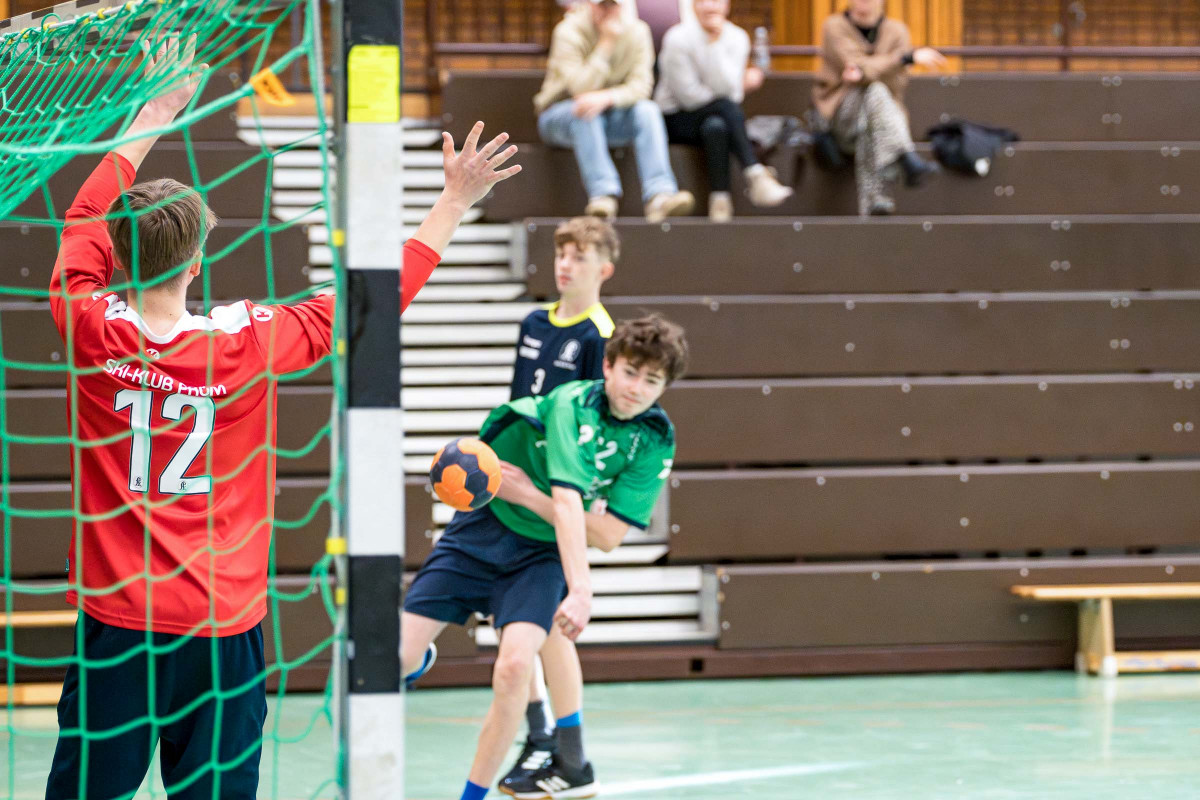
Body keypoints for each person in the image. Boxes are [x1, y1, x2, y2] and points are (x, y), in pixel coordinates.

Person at [43, 39, 517, 800]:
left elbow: (85, 213)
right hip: (220, 622)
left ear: (118, 258)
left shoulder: (89, 324)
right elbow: (375, 300)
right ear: (197, 261)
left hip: (117, 624)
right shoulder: (248, 341)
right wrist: (454, 201)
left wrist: (155, 109)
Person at [401, 315, 688, 800]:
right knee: (395, 659)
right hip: (484, 526)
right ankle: (419, 658)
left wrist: (529, 494)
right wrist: (581, 590)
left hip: (541, 552)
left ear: (665, 388)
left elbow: (609, 536)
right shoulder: (572, 405)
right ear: (608, 366)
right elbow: (570, 504)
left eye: (652, 380)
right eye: (629, 372)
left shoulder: (655, 439)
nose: (636, 388)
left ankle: (477, 793)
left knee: (514, 667)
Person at [498, 217, 617, 791]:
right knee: (512, 619)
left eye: (580, 257)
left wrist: (578, 498)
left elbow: (598, 425)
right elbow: (515, 403)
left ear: (604, 270)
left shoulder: (601, 336)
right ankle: (541, 736)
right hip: (512, 484)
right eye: (561, 254)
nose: (566, 265)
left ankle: (568, 754)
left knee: (544, 622)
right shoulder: (533, 322)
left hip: (556, 492)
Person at [534, 0, 695, 222]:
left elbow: (642, 86)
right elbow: (579, 88)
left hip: (609, 114)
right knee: (585, 110)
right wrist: (606, 44)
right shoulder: (568, 31)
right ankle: (603, 195)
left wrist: (608, 97)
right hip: (559, 115)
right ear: (590, 5)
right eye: (602, 5)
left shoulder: (638, 31)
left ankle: (660, 196)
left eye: (613, 5)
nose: (607, 11)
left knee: (647, 110)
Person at [655, 0, 793, 221]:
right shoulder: (677, 38)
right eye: (703, 1)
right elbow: (688, 97)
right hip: (675, 117)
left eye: (717, 1)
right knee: (726, 109)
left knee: (716, 126)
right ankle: (755, 172)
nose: (711, 7)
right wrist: (721, 101)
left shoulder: (737, 37)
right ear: (694, 6)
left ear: (727, 5)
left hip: (715, 119)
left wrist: (715, 46)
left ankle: (720, 203)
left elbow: (732, 92)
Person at [813, 0, 946, 215]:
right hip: (841, 116)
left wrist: (867, 72)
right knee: (875, 91)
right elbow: (855, 64)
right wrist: (904, 58)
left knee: (874, 100)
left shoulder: (897, 31)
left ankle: (874, 203)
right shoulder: (834, 26)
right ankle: (904, 155)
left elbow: (895, 82)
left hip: (878, 119)